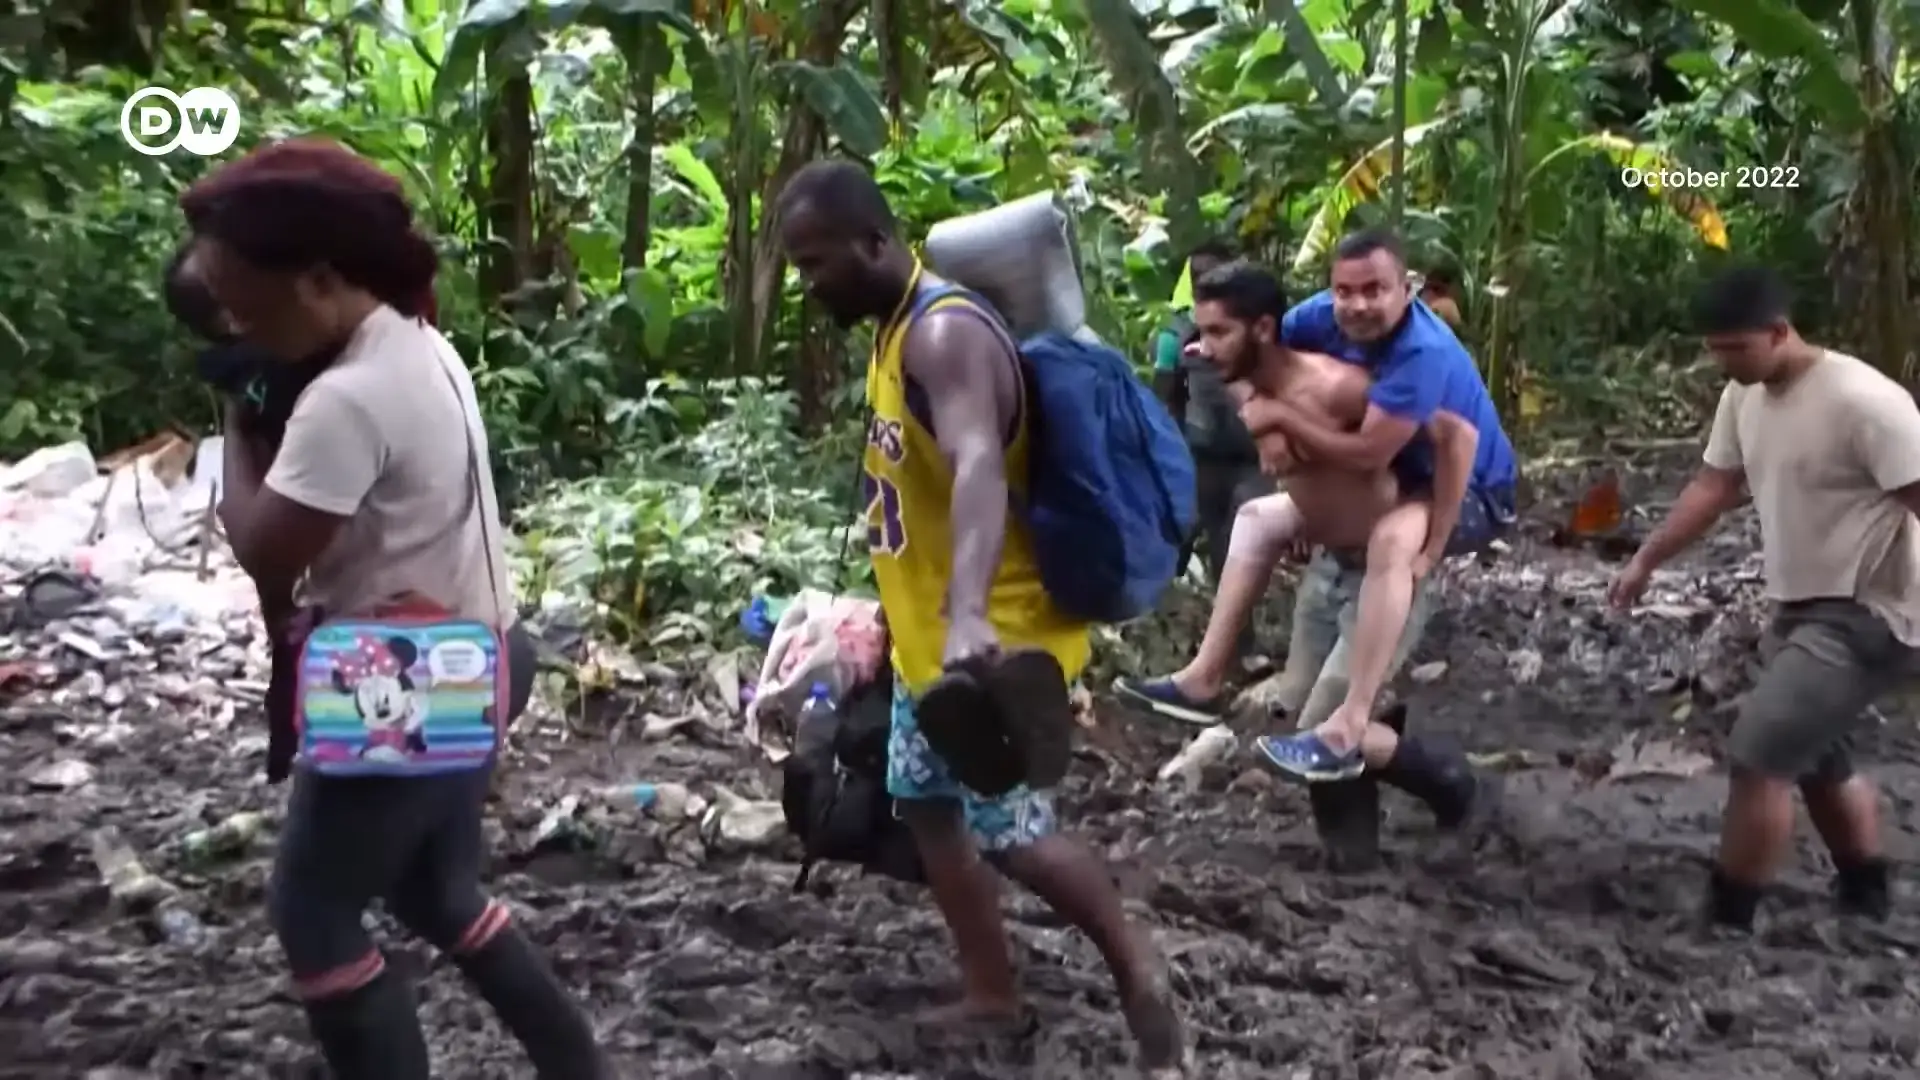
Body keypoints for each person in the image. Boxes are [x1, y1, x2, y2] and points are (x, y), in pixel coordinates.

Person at [181, 137, 613, 1079]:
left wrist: (236, 429)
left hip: (408, 681)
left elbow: (265, 546)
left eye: (246, 307)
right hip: (485, 652)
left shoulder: (346, 398)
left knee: (313, 912)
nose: (238, 329)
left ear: (320, 278)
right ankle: (577, 1064)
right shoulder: (417, 343)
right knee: (437, 890)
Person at [774, 159, 1184, 1074]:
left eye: (816, 264)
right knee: (925, 805)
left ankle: (1141, 974)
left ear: (876, 243)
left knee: (1016, 834)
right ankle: (993, 992)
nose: (809, 286)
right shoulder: (892, 328)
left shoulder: (946, 333)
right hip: (931, 643)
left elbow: (975, 467)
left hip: (995, 638)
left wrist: (963, 619)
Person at [1117, 262, 1498, 864]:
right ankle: (1353, 851)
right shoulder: (1255, 376)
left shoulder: (1339, 384)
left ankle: (1453, 785)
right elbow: (1254, 386)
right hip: (1330, 559)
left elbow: (1457, 440)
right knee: (1302, 709)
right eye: (1201, 333)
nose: (1200, 348)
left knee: (1326, 728)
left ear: (1263, 331)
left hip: (1387, 567)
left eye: (1217, 334)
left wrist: (1433, 546)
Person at [1610, 265, 1914, 929]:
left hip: (1872, 609)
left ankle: (1729, 912)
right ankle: (1867, 889)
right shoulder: (1743, 396)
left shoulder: (1865, 401)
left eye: (1736, 350)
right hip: (1802, 603)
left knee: (1759, 752)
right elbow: (1714, 488)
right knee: (1816, 756)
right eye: (1715, 351)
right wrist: (1646, 561)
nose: (1725, 364)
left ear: (1779, 332)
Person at [1152, 239, 1269, 589]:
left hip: (1252, 456)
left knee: (1241, 550)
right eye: (1198, 275)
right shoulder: (1174, 335)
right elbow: (1165, 397)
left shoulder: (1259, 330)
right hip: (1202, 455)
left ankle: (1240, 636)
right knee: (1193, 541)